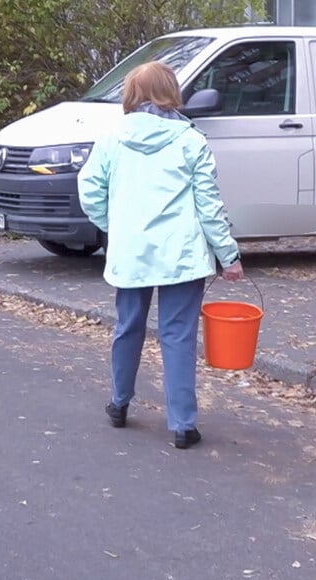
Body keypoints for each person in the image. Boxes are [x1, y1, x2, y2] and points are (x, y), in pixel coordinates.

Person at [78, 61, 244, 450]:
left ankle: (119, 403)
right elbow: (209, 204)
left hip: (130, 252)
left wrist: (114, 225)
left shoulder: (111, 138)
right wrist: (229, 256)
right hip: (181, 256)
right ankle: (183, 424)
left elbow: (89, 191)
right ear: (171, 92)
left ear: (131, 94)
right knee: (178, 337)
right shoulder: (190, 140)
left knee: (128, 327)